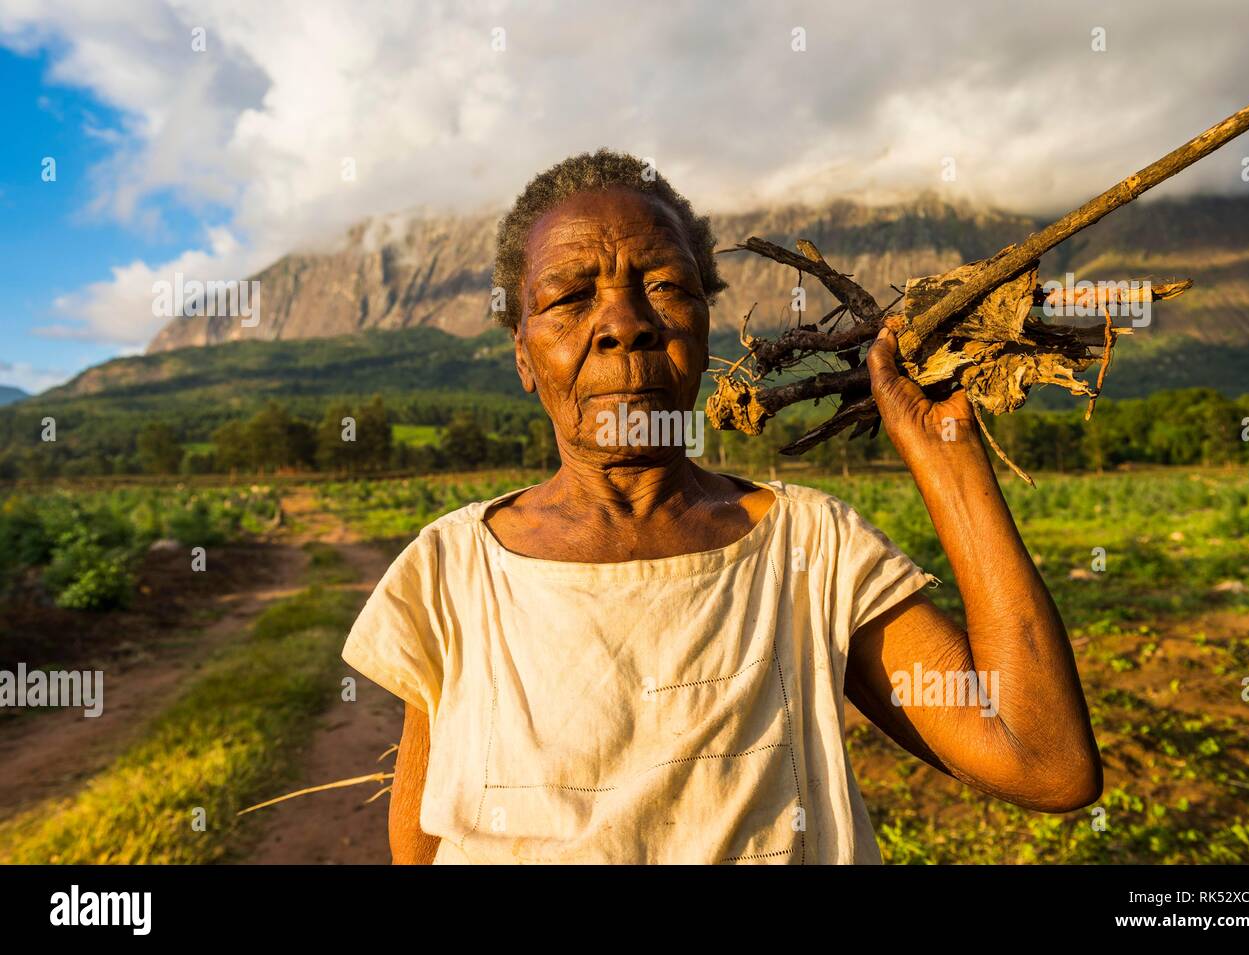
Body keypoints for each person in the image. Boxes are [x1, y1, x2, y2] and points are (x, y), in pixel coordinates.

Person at [342, 149, 1102, 864]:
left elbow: (1045, 761)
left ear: (705, 332)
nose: (624, 323)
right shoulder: (452, 568)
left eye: (666, 286)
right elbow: (422, 844)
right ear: (522, 354)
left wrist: (948, 452)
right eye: (571, 298)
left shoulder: (812, 549)